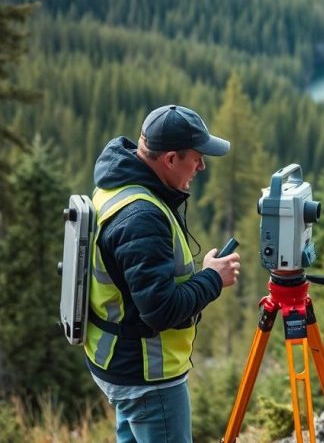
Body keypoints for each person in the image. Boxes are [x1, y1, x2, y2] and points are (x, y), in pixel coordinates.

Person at [84, 104, 242, 443]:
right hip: (146, 374)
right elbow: (161, 310)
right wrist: (213, 278)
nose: (201, 166)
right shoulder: (141, 216)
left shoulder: (116, 186)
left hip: (118, 360)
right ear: (169, 159)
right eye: (197, 157)